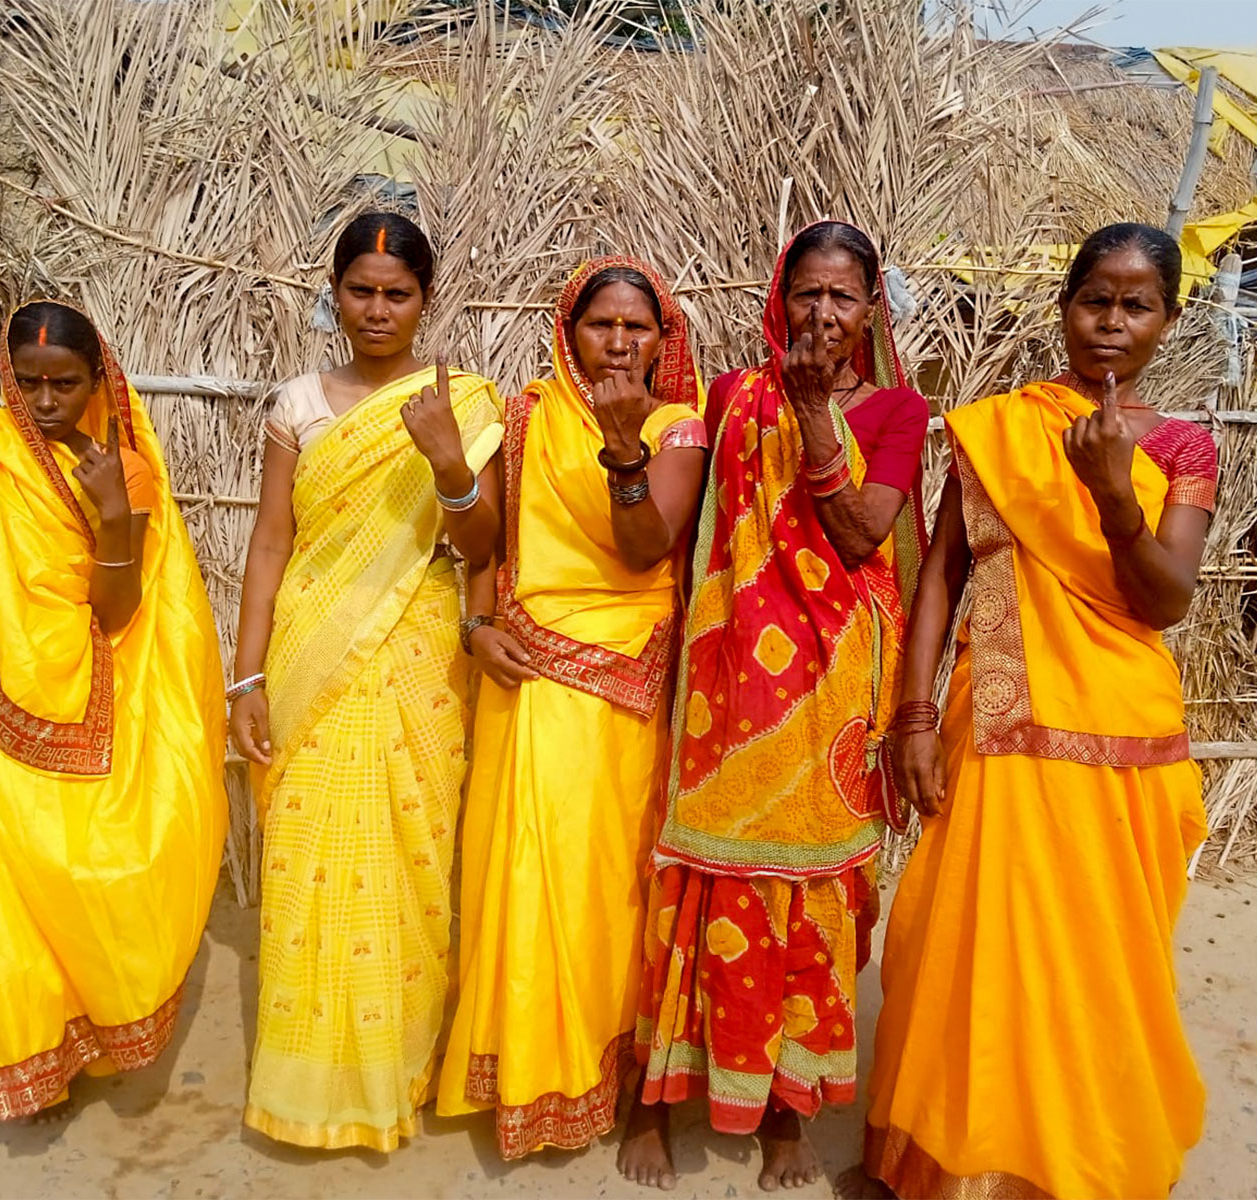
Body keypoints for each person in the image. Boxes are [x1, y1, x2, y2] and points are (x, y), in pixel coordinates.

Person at [859, 222, 1214, 1198]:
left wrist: (1114, 498)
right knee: (958, 941)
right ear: (1064, 307)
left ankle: (1078, 1161)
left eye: (1136, 305)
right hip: (995, 726)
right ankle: (945, 1160)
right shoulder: (997, 431)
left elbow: (1166, 599)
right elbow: (938, 577)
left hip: (1121, 733)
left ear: (1168, 320)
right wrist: (913, 718)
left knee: (1100, 960)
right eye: (1095, 299)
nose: (1111, 322)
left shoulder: (1182, 447)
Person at [621, 221, 929, 1192]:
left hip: (833, 689)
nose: (823, 314)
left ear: (870, 310)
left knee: (812, 890)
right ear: (778, 301)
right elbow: (691, 533)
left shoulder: (897, 410)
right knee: (699, 876)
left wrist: (814, 415)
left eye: (842, 297)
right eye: (807, 294)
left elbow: (860, 535)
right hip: (727, 683)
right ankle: (655, 1100)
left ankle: (787, 1111)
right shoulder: (729, 397)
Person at [0, 299, 228, 1136]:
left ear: (96, 380)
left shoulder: (125, 472)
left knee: (72, 889)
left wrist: (112, 514)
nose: (44, 402)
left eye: (65, 384)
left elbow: (117, 613)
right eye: (29, 382)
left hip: (83, 705)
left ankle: (54, 1049)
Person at [232, 211, 504, 1151]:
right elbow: (271, 544)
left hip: (417, 652)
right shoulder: (299, 403)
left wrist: (447, 459)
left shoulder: (463, 403)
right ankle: (307, 1083)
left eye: (397, 294)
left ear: (426, 302)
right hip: (311, 650)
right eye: (361, 290)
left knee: (410, 858)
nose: (377, 310)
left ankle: (399, 1066)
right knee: (307, 859)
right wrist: (246, 677)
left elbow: (483, 547)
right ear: (335, 293)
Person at [436, 257, 709, 1160]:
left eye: (637, 327)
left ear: (662, 341)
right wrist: (477, 623)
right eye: (602, 325)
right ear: (570, 331)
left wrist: (625, 450)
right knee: (516, 871)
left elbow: (645, 549)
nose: (619, 342)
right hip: (520, 667)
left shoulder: (677, 428)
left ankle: (594, 1066)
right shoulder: (528, 415)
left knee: (595, 881)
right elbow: (485, 542)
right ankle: (521, 1068)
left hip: (619, 679)